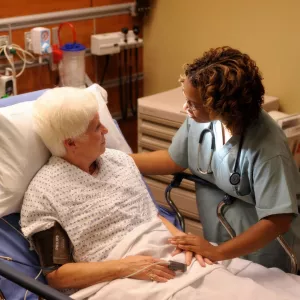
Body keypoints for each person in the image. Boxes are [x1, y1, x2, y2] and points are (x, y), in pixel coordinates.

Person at [20, 87, 210, 291]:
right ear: (72, 142)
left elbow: (151, 216)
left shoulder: (119, 161)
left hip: (168, 253)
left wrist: (185, 243)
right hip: (118, 278)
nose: (106, 130)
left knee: (233, 279)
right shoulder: (44, 193)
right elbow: (58, 276)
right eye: (96, 127)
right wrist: (124, 267)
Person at [130, 46, 300, 273]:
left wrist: (218, 252)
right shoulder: (200, 121)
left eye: (193, 104)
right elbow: (175, 160)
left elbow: (278, 219)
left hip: (265, 253)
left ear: (222, 107)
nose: (185, 108)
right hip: (221, 243)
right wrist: (117, 159)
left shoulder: (268, 147)